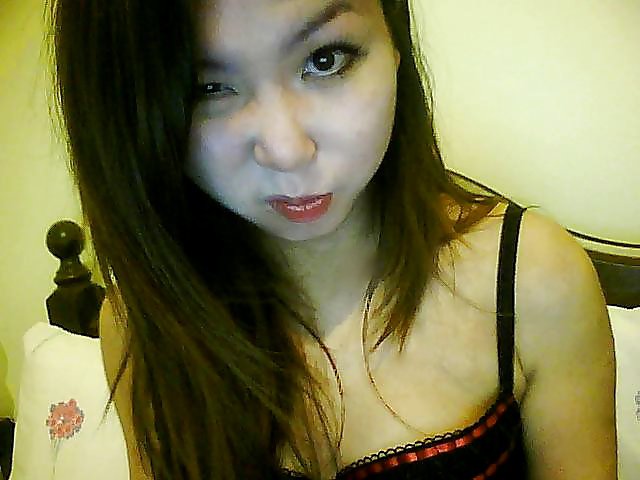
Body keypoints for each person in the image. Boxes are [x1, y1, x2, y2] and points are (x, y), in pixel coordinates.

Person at [49, 0, 617, 478]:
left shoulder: (531, 280)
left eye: (325, 59)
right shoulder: (142, 326)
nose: (287, 150)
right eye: (208, 88)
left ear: (394, 39)